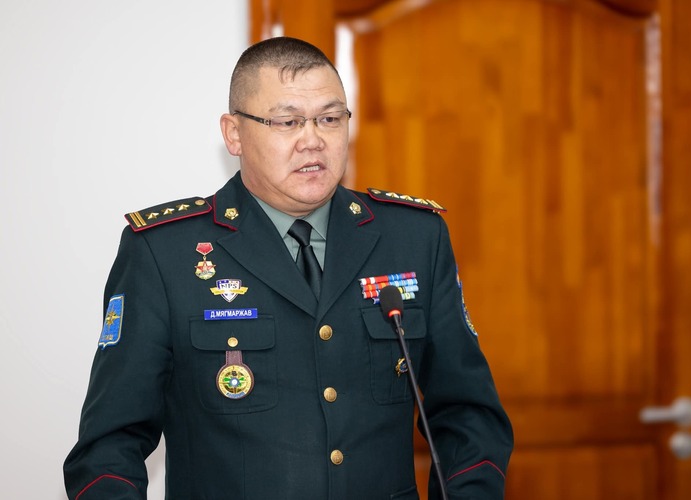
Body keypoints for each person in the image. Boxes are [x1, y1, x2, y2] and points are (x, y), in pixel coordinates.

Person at [64, 36, 513, 499]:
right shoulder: (165, 254)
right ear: (234, 134)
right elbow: (108, 448)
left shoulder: (413, 239)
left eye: (330, 119)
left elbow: (468, 416)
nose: (313, 140)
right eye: (287, 121)